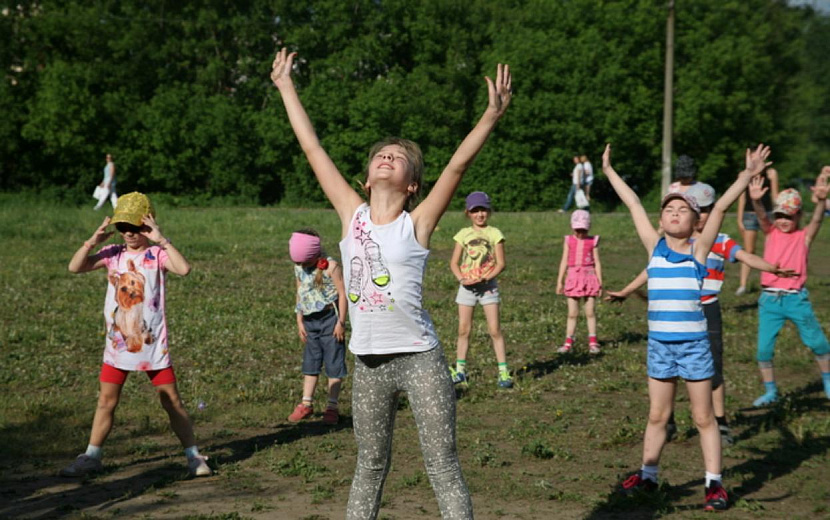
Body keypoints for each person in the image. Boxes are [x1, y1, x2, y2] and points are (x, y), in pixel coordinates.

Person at [270, 47, 511, 519]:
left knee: (442, 465)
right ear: (365, 179)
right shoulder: (351, 214)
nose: (387, 157)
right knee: (369, 466)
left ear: (412, 184)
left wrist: (490, 116)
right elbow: (313, 149)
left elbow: (456, 167)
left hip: (421, 359)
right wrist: (285, 86)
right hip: (368, 366)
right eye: (381, 155)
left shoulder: (416, 223)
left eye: (398, 158)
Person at [602, 142, 771, 511]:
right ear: (661, 221)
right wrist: (609, 171)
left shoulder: (699, 251)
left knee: (703, 417)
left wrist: (747, 174)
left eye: (683, 210)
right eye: (669, 209)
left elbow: (721, 206)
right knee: (658, 415)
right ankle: (648, 477)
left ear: (696, 222)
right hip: (660, 346)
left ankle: (714, 484)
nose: (675, 213)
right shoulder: (654, 248)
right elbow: (633, 203)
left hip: (694, 345)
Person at [606, 182, 796, 445]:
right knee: (667, 375)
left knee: (712, 368)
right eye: (700, 209)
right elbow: (651, 268)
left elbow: (745, 256)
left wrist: (771, 268)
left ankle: (720, 421)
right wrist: (627, 291)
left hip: (707, 308)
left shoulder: (716, 241)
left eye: (707, 209)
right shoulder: (671, 243)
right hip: (678, 311)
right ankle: (667, 421)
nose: (705, 215)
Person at [62, 192, 211, 478]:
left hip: (152, 348)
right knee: (106, 401)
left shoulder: (157, 255)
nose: (129, 233)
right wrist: (92, 241)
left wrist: (161, 239)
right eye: (123, 227)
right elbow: (75, 267)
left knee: (171, 402)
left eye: (135, 226)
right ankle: (91, 456)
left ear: (147, 225)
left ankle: (194, 457)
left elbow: (184, 269)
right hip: (117, 347)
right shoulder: (113, 254)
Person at [747, 178, 830, 406]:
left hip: (796, 299)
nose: (783, 221)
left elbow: (816, 220)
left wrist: (821, 202)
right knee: (763, 350)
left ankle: (827, 379)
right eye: (779, 215)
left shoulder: (804, 237)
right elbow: (762, 217)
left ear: (798, 216)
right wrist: (757, 201)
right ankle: (771, 391)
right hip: (769, 301)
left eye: (789, 216)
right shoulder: (770, 232)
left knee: (818, 343)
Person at [449, 191, 512, 389]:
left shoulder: (495, 233)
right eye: (475, 211)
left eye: (483, 210)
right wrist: (462, 279)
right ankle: (460, 371)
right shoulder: (463, 234)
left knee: (494, 330)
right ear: (468, 213)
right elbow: (454, 263)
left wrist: (486, 277)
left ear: (489, 211)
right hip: (467, 288)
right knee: (463, 329)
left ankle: (503, 372)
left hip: (488, 288)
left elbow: (501, 263)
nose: (479, 214)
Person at [287, 229, 348, 425]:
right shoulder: (299, 267)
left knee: (334, 363)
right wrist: (299, 320)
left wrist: (341, 323)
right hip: (310, 321)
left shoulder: (331, 267)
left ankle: (332, 406)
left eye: (305, 263)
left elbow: (343, 294)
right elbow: (300, 293)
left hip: (330, 320)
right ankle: (306, 403)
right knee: (310, 363)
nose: (302, 266)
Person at [555, 209, 602, 354]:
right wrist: (559, 281)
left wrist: (600, 283)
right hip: (573, 278)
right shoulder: (568, 240)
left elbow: (597, 262)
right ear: (572, 227)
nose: (581, 233)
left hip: (589, 278)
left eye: (583, 230)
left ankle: (593, 342)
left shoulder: (593, 241)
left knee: (590, 311)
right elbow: (564, 260)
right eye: (578, 230)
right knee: (572, 313)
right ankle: (568, 342)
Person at [735, 167, 779, 295]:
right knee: (749, 250)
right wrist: (739, 219)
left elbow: (775, 197)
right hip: (749, 214)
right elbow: (742, 198)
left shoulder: (771, 174)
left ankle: (773, 280)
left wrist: (779, 215)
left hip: (767, 215)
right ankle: (743, 284)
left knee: (772, 249)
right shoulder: (744, 174)